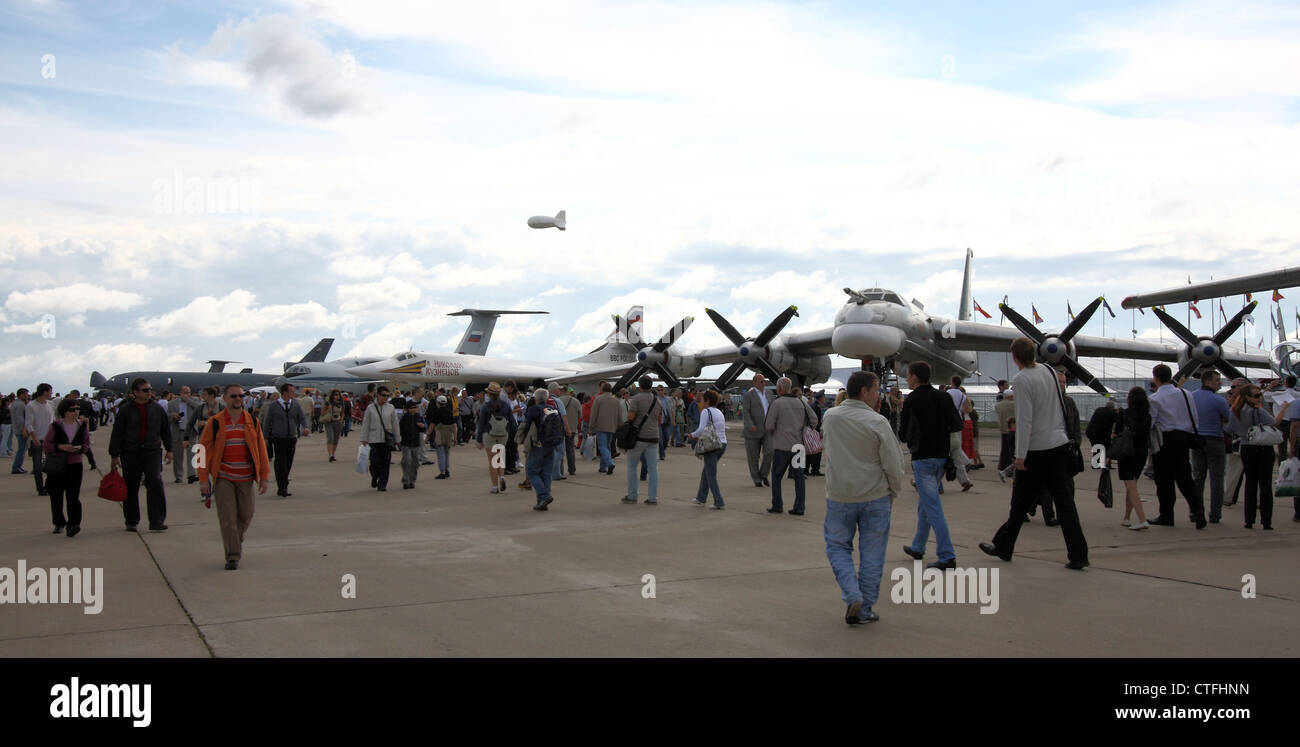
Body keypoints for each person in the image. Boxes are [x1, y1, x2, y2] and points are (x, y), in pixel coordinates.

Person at [980, 338, 1089, 570]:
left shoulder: (1021, 379)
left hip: (1036, 451)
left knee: (1019, 503)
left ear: (1015, 357)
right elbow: (1058, 403)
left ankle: (1004, 547)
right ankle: (1079, 554)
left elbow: (1025, 419)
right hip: (1058, 445)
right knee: (1066, 504)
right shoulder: (1049, 370)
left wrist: (1020, 456)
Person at [822, 371, 905, 625]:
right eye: (876, 389)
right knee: (872, 553)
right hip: (874, 496)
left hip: (840, 495)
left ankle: (852, 594)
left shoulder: (830, 417)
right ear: (864, 391)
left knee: (837, 547)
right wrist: (894, 490)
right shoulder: (877, 422)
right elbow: (893, 462)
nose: (878, 393)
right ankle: (865, 607)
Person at [196, 385, 270, 570]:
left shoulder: (252, 421)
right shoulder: (215, 423)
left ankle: (235, 539)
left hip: (246, 478)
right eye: (233, 396)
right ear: (225, 399)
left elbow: (261, 450)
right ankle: (232, 556)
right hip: (223, 478)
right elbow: (201, 452)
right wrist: (203, 479)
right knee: (228, 518)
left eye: (241, 395)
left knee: (246, 514)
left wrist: (264, 476)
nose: (238, 398)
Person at [898, 362, 960, 569]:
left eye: (908, 376)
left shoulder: (912, 400)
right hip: (942, 457)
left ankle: (947, 555)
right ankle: (918, 546)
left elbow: (903, 433)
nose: (907, 379)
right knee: (925, 503)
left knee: (932, 506)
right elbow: (956, 424)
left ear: (915, 377)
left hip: (922, 457)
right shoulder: (944, 397)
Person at [108, 377, 173, 531]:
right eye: (145, 390)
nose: (149, 392)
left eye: (150, 389)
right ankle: (131, 520)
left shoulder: (157, 408)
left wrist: (169, 450)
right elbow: (117, 433)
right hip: (130, 453)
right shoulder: (125, 410)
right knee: (131, 486)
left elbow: (165, 431)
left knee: (155, 482)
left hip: (152, 451)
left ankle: (156, 520)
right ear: (135, 392)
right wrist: (114, 455)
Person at [1147, 364, 1207, 529]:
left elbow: (1151, 421)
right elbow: (1194, 416)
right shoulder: (1186, 394)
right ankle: (1197, 509)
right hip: (1184, 439)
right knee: (1185, 478)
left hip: (1164, 440)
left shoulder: (1154, 399)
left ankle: (1166, 515)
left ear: (1156, 378)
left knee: (1164, 480)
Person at [43, 397, 96, 536]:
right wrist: (60, 447)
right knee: (56, 496)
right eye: (72, 410)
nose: (76, 412)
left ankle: (74, 524)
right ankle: (59, 522)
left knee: (73, 496)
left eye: (77, 409)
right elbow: (47, 445)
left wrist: (79, 449)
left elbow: (86, 445)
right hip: (57, 465)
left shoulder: (82, 426)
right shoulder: (55, 426)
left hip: (75, 464)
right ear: (64, 411)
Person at [765, 376, 818, 515]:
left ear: (780, 389)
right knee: (799, 478)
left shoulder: (777, 403)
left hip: (782, 446)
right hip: (798, 447)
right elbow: (814, 419)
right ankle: (799, 507)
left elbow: (769, 425)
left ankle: (777, 505)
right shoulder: (801, 402)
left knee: (776, 477)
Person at [1229, 383, 1275, 530]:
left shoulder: (1235, 411)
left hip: (1246, 447)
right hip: (1262, 447)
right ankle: (1266, 520)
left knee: (1250, 483)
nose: (1259, 397)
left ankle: (1249, 520)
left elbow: (1230, 428)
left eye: (1260, 394)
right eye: (1256, 395)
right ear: (1248, 397)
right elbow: (1273, 421)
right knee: (1265, 485)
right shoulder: (1258, 411)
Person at [1191, 369, 1231, 523]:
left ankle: (1195, 512)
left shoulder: (1192, 396)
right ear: (1208, 381)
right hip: (1215, 439)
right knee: (1217, 479)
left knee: (1198, 478)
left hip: (1197, 440)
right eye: (1217, 380)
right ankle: (1215, 514)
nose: (1219, 383)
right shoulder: (1219, 400)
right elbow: (1228, 418)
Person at [262, 383, 310, 497]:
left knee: (288, 462)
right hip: (278, 438)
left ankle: (283, 484)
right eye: (292, 391)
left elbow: (302, 417)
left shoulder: (295, 404)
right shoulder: (274, 405)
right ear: (285, 393)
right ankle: (282, 487)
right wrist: (265, 436)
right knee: (281, 462)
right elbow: (267, 421)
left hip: (291, 437)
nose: (294, 393)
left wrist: (306, 427)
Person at [621, 376, 661, 505]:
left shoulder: (636, 399)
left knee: (632, 466)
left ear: (640, 385)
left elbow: (631, 417)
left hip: (639, 438)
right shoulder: (657, 401)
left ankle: (633, 495)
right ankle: (652, 497)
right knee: (653, 468)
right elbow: (659, 420)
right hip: (653, 437)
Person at [521, 388, 562, 510]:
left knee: (532, 471)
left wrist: (523, 439)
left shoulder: (534, 409)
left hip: (539, 444)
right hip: (552, 444)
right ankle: (541, 502)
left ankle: (544, 495)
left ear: (536, 398)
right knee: (546, 473)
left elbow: (527, 425)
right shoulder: (553, 409)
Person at [1116, 387, 1151, 530]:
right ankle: (1127, 517)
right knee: (1131, 486)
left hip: (1126, 452)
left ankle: (1142, 519)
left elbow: (1117, 432)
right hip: (1141, 452)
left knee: (1131, 487)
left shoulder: (1124, 414)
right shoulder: (1148, 416)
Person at [686, 390, 728, 509]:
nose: (701, 402)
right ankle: (701, 498)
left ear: (708, 401)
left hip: (712, 446)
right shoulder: (719, 411)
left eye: (703, 400)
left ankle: (719, 501)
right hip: (722, 444)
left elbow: (701, 430)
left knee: (711, 474)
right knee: (706, 472)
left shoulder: (706, 411)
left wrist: (691, 435)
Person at [360, 387, 399, 491]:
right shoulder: (370, 408)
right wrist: (364, 438)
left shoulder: (391, 407)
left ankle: (382, 484)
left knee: (386, 463)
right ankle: (375, 476)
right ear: (377, 395)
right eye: (383, 395)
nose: (385, 397)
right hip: (374, 439)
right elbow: (366, 424)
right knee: (374, 462)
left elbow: (395, 424)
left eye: (387, 395)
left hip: (387, 440)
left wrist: (398, 438)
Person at [476, 382, 511, 494]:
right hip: (502, 434)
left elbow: (481, 423)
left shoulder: (486, 406)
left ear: (489, 394)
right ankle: (502, 476)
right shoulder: (506, 405)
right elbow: (511, 421)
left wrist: (479, 439)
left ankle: (495, 486)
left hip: (489, 433)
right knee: (500, 458)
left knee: (492, 461)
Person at [741, 374, 773, 488]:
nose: (763, 383)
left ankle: (764, 474)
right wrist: (750, 425)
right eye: (761, 382)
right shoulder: (748, 395)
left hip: (767, 428)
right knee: (753, 457)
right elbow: (745, 412)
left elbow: (772, 409)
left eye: (764, 381)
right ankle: (756, 479)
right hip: (753, 430)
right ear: (754, 382)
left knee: (769, 451)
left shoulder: (769, 394)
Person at [24, 383, 56, 496]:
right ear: (44, 392)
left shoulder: (50, 404)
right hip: (37, 439)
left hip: (50, 439)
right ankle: (40, 488)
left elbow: (53, 421)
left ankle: (48, 486)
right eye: (50, 391)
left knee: (51, 465)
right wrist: (34, 438)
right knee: (37, 465)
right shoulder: (31, 406)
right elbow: (28, 423)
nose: (51, 393)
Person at [167, 385, 199, 484]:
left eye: (188, 392)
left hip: (190, 432)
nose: (187, 394)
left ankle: (191, 475)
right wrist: (173, 416)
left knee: (191, 454)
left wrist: (188, 400)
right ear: (180, 393)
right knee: (177, 455)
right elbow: (167, 416)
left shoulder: (194, 401)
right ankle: (178, 476)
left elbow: (200, 409)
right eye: (185, 393)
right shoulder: (172, 403)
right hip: (178, 431)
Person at [589, 381, 621, 475]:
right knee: (607, 447)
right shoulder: (616, 400)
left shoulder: (598, 399)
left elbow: (593, 414)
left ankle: (610, 463)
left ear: (602, 389)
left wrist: (591, 427)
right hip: (612, 426)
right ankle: (603, 467)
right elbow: (619, 415)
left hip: (600, 426)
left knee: (602, 447)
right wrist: (620, 425)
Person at [396, 397, 425, 490]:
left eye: (415, 407)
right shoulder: (404, 418)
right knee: (407, 461)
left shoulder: (418, 417)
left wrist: (422, 426)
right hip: (406, 443)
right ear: (408, 409)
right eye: (412, 408)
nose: (414, 409)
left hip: (416, 443)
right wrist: (399, 440)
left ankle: (412, 479)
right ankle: (406, 480)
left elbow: (424, 428)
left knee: (415, 462)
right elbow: (400, 429)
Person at [428, 394, 456, 479]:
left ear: (438, 403)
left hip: (440, 432)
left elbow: (432, 424)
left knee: (440, 453)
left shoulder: (437, 412)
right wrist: (455, 437)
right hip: (448, 433)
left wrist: (428, 435)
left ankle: (442, 472)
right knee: (446, 452)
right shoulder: (449, 412)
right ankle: (447, 470)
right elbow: (454, 425)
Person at [556, 386, 581, 476]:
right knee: (570, 449)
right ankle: (572, 469)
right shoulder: (576, 401)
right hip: (572, 428)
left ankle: (560, 471)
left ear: (561, 391)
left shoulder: (558, 400)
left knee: (560, 450)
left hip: (560, 428)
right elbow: (580, 415)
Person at [319, 389, 346, 462]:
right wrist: (328, 410)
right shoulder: (328, 403)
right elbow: (322, 413)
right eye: (335, 394)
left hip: (338, 422)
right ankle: (330, 455)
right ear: (332, 395)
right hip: (329, 422)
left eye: (338, 394)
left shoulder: (341, 403)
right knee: (330, 438)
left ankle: (333, 454)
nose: (337, 396)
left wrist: (341, 420)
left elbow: (343, 412)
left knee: (336, 439)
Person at [995, 387, 1016, 472]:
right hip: (1013, 429)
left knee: (1004, 449)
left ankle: (1002, 465)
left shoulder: (998, 405)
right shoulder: (1015, 404)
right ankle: (1011, 468)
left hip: (1003, 429)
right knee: (1012, 450)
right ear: (1011, 396)